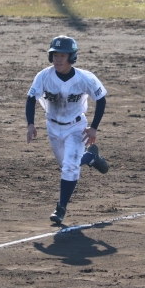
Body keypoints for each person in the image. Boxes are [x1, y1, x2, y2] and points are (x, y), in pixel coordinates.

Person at [26, 36, 109, 224]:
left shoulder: (85, 78)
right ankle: (91, 156)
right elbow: (31, 99)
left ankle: (61, 207)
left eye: (62, 56)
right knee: (65, 166)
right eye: (55, 55)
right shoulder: (44, 76)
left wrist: (94, 127)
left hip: (76, 127)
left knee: (70, 168)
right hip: (52, 126)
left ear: (71, 57)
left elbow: (101, 99)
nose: (58, 59)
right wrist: (30, 124)